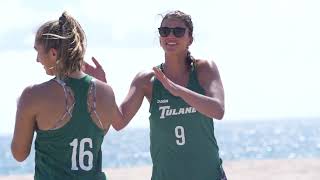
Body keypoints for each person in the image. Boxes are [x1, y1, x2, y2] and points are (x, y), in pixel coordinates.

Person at [87, 10, 227, 180]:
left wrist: (178, 91)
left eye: (178, 31)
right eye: (165, 31)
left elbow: (218, 110)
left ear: (190, 38)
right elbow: (119, 121)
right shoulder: (146, 80)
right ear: (160, 37)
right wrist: (103, 86)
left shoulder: (204, 69)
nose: (170, 36)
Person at [11, 11, 120, 180]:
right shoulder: (107, 92)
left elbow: (19, 154)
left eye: (38, 52)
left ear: (54, 53)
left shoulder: (33, 96)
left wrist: (21, 107)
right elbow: (92, 136)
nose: (37, 60)